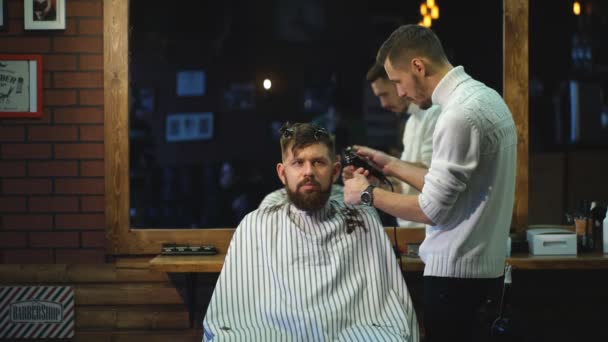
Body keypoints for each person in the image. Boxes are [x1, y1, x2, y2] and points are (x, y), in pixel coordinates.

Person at [343, 24, 517, 342]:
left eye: (398, 82)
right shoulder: (485, 98)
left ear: (418, 67)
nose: (400, 93)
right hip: (483, 274)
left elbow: (431, 209)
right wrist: (391, 165)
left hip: (455, 282)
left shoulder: (458, 116)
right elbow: (451, 185)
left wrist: (366, 194)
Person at [203, 122, 419, 342]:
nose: (308, 172)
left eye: (318, 162)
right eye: (297, 162)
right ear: (282, 173)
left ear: (335, 171)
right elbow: (229, 318)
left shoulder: (363, 220)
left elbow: (388, 310)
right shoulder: (255, 225)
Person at [366, 62, 441, 228]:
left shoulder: (435, 114)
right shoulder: (411, 123)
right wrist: (377, 181)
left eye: (384, 94)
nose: (383, 104)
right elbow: (407, 186)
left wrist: (386, 163)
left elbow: (433, 177)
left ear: (397, 83)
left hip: (428, 229)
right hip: (409, 229)